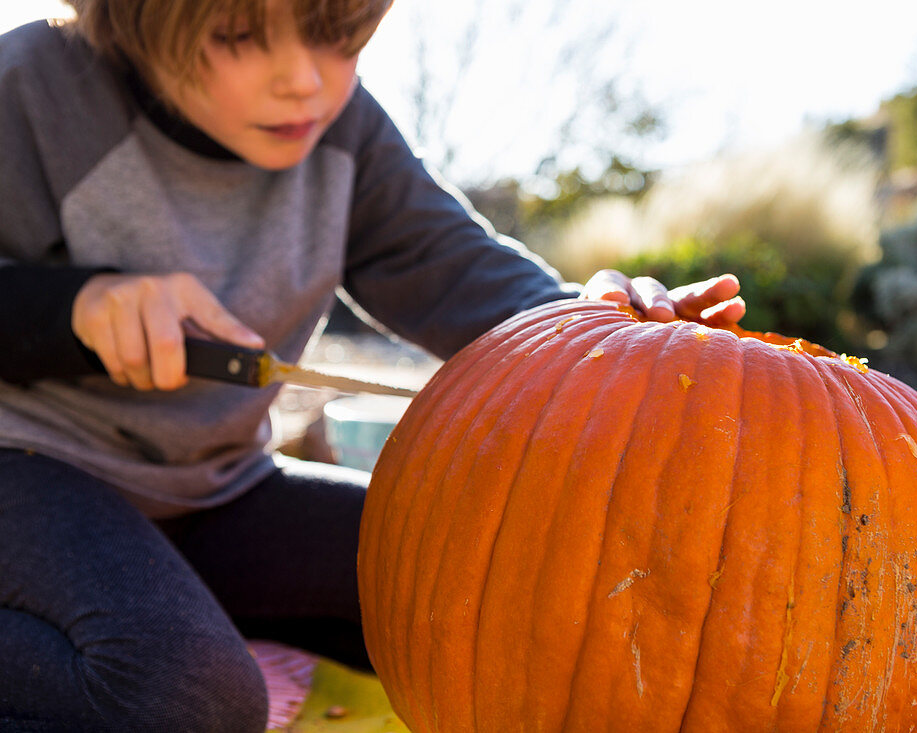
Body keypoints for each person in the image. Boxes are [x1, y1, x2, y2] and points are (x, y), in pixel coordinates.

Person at [0, 0, 746, 730]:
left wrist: (602, 336)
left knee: (512, 602)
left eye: (336, 35)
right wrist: (71, 306)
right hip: (27, 469)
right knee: (185, 696)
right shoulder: (32, 83)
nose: (304, 80)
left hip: (217, 492)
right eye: (236, 34)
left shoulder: (342, 130)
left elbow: (450, 265)